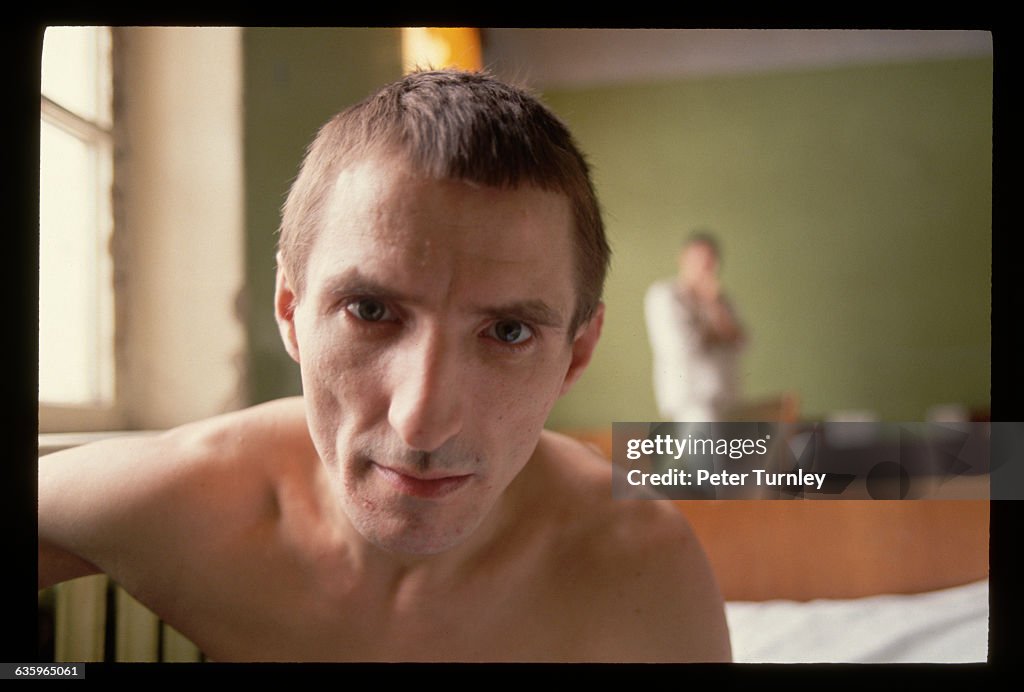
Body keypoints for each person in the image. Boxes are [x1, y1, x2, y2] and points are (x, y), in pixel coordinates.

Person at [38, 70, 730, 663]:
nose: (422, 420)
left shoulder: (642, 574)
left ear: (575, 354)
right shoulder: (185, 503)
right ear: (290, 312)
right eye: (370, 311)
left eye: (509, 330)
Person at [644, 232, 746, 422]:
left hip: (727, 399)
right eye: (698, 259)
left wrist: (715, 305)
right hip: (690, 401)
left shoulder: (721, 299)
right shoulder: (665, 295)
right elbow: (680, 346)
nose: (704, 266)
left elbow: (741, 342)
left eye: (709, 260)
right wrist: (717, 334)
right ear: (682, 259)